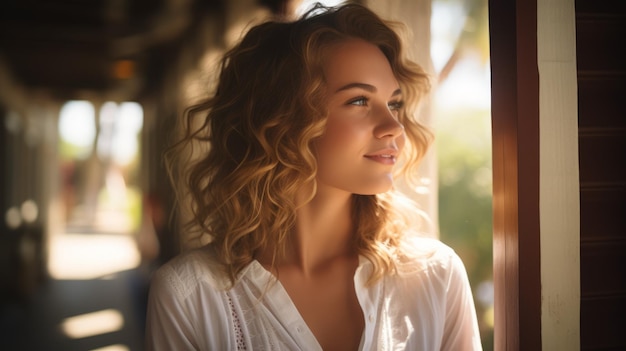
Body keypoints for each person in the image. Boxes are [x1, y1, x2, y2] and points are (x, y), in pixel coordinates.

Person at [145, 2, 482, 350]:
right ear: (284, 120)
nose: (393, 127)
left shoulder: (435, 276)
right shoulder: (189, 296)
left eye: (393, 103)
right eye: (359, 101)